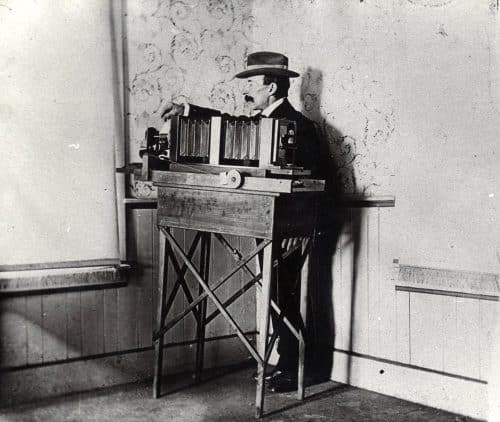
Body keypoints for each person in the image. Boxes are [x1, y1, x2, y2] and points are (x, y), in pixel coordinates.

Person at [160, 51, 321, 393]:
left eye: (251, 84)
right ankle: (286, 363)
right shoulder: (258, 122)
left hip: (288, 228)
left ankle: (297, 368)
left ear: (272, 88)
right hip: (260, 218)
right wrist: (186, 111)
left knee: (284, 295)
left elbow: (314, 181)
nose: (246, 91)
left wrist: (300, 228)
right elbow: (226, 121)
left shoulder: (301, 127)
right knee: (276, 294)